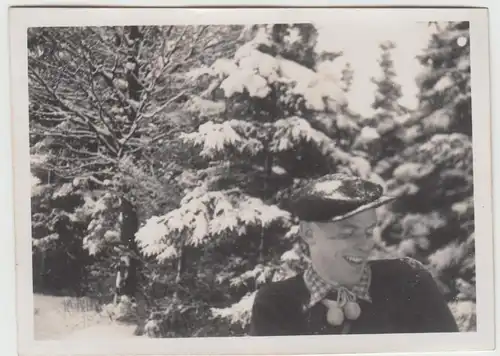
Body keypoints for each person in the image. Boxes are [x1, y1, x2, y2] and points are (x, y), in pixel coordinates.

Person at [250, 173, 458, 336]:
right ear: (308, 233)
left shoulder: (409, 281)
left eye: (369, 232)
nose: (365, 244)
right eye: (347, 233)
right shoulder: (276, 304)